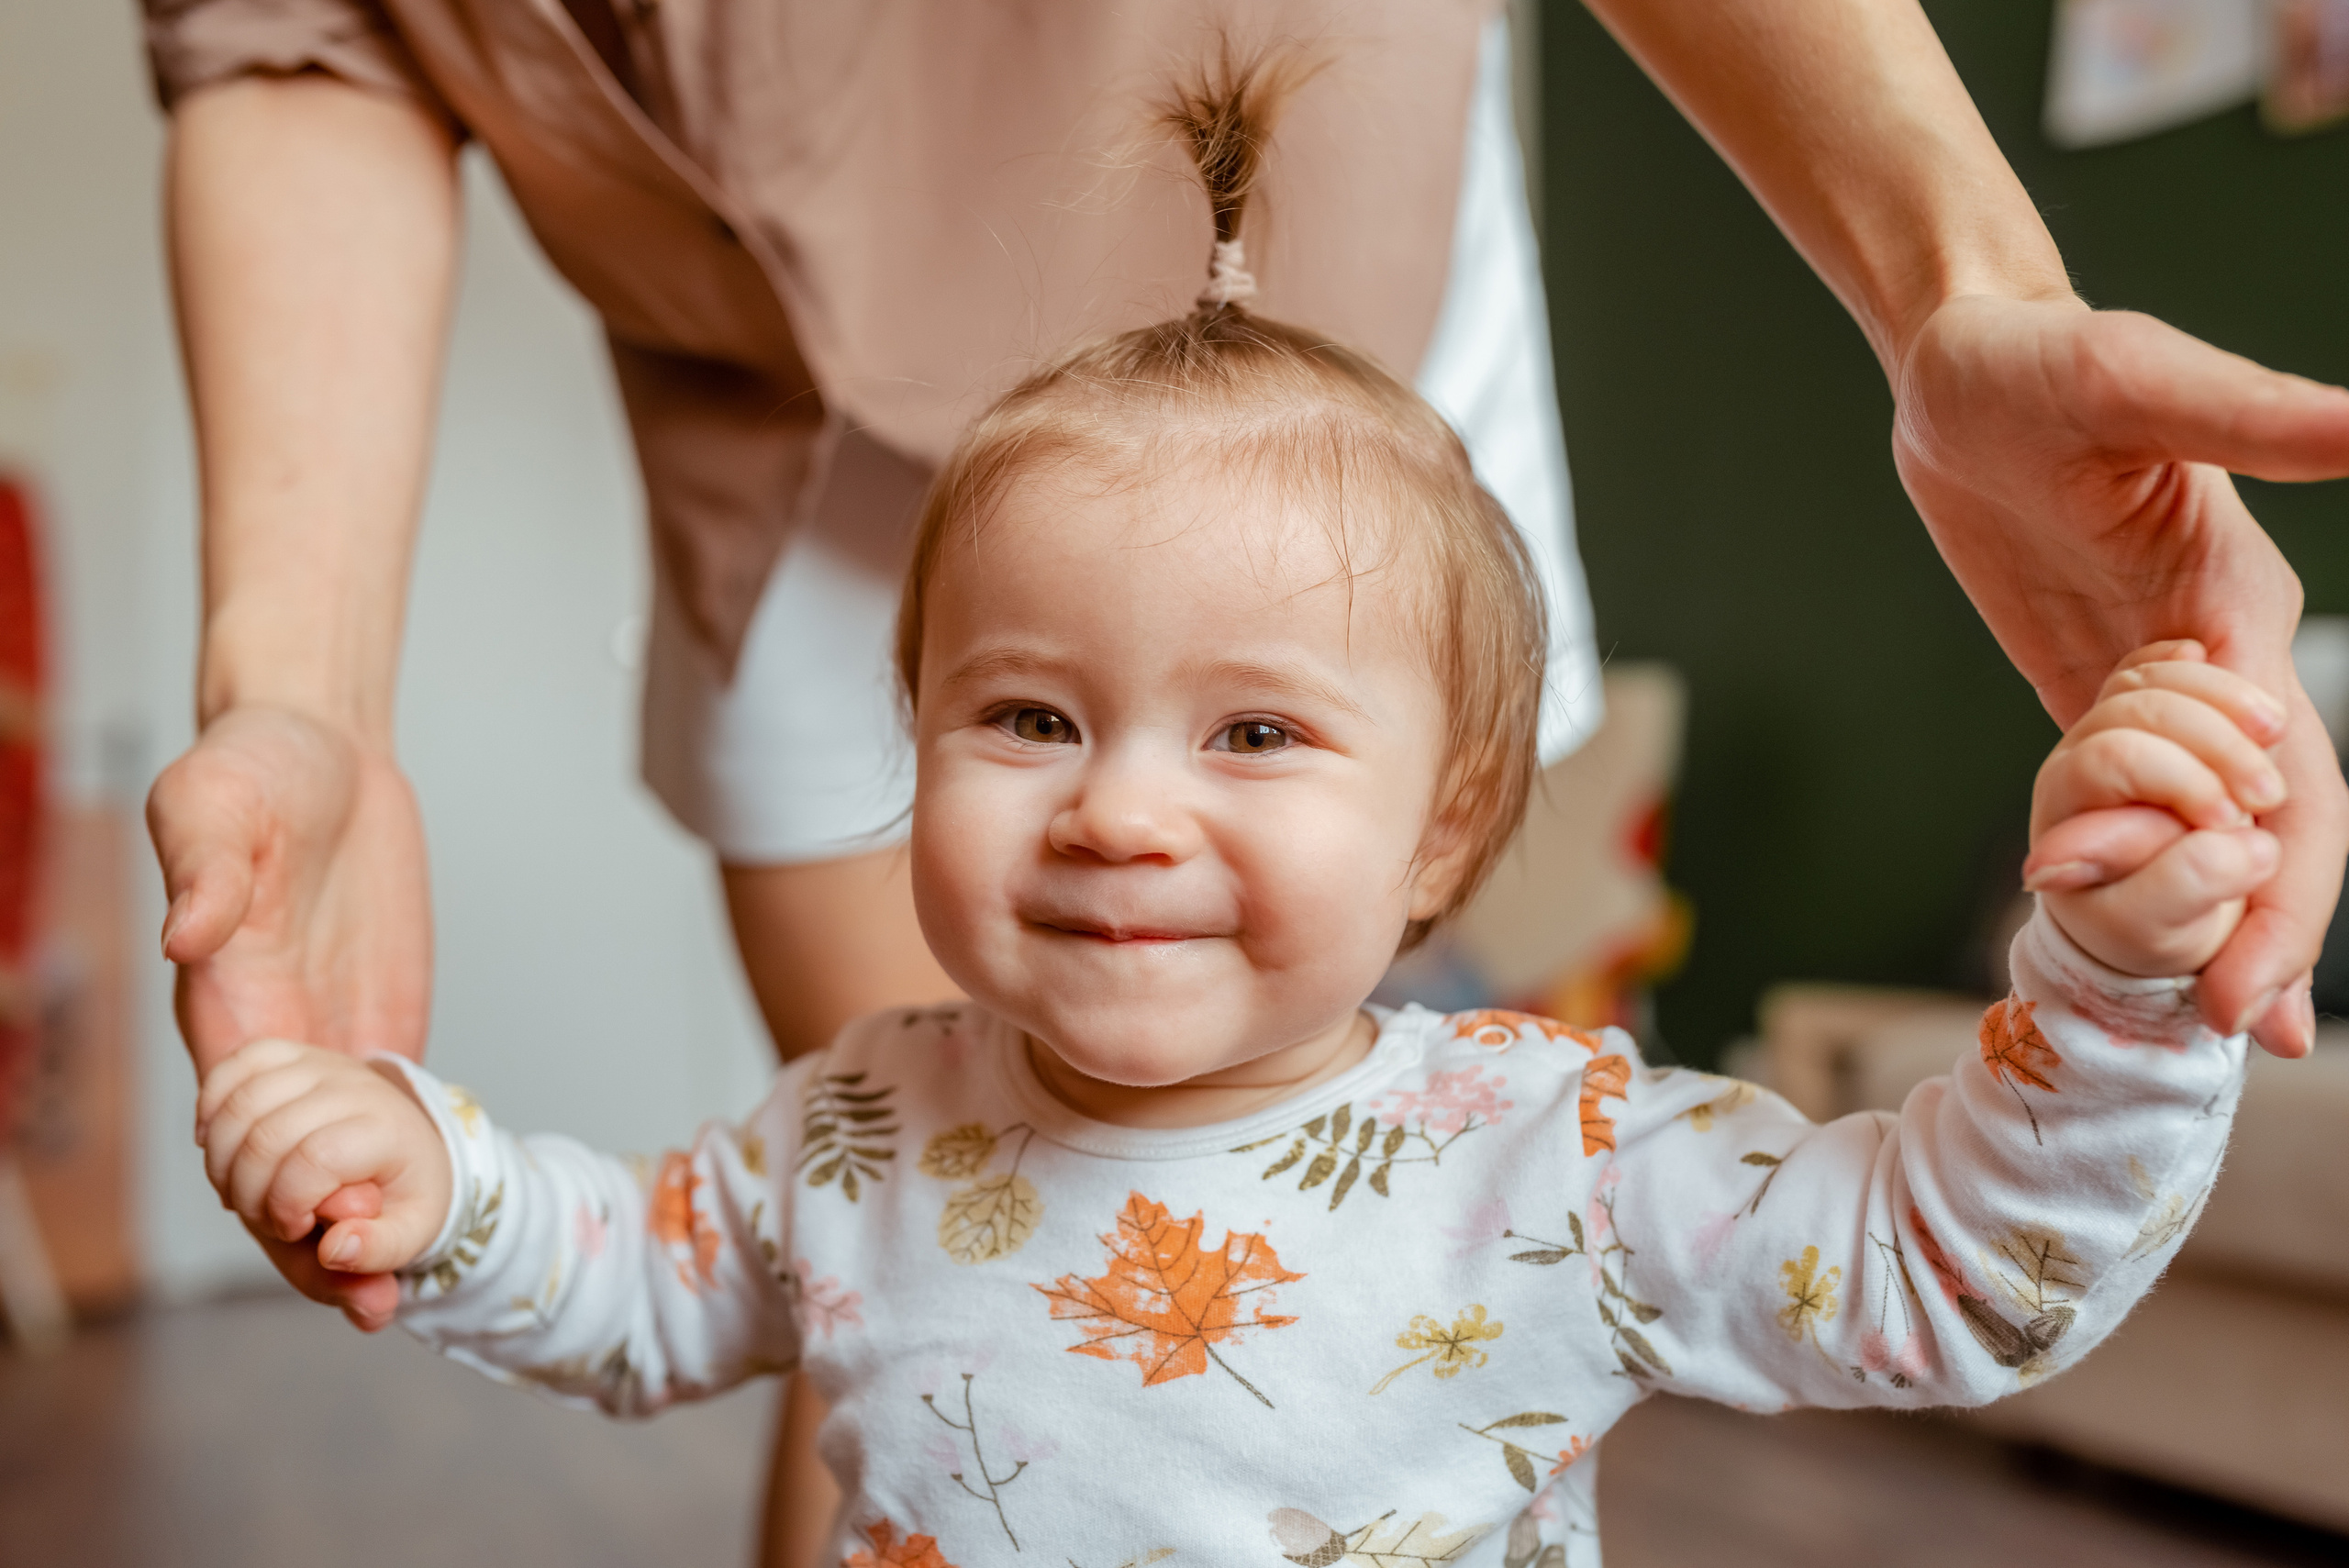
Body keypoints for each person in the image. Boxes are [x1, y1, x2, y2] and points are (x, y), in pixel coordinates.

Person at [139, 0, 2347, 1558]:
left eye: (1257, 735)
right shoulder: (859, 1119)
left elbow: (1947, 1266)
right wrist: (433, 1191)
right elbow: (631, 1281)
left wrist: (2116, 997)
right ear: (902, 748)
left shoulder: (1539, 1157)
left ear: (1445, 831)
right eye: (1023, 719)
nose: (1115, 810)